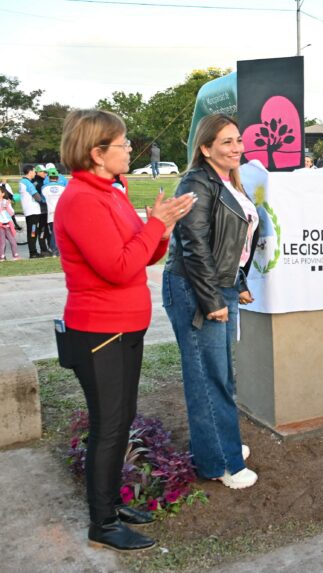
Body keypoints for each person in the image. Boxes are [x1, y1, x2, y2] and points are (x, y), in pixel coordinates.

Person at [54, 109, 193, 551]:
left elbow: (142, 255)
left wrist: (162, 229)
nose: (130, 148)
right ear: (97, 152)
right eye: (123, 143)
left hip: (125, 327)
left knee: (121, 418)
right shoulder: (81, 200)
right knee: (109, 425)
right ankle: (103, 523)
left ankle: (113, 503)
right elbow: (116, 267)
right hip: (99, 331)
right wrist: (154, 225)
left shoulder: (110, 193)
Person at [162, 113, 260, 490]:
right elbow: (194, 245)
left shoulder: (228, 181)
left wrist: (239, 282)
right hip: (195, 290)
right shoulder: (196, 183)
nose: (237, 148)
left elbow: (232, 243)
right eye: (226, 142)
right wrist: (211, 299)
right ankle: (220, 462)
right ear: (205, 148)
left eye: (238, 140)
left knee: (221, 374)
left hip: (220, 286)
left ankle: (220, 444)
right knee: (208, 377)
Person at [19, 164, 48, 258]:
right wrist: (45, 200)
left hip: (30, 211)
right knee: (33, 232)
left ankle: (33, 252)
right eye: (34, 171)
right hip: (32, 211)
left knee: (32, 232)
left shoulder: (23, 181)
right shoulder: (27, 182)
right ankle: (33, 253)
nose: (35, 173)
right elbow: (37, 196)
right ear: (30, 171)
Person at [42, 167, 67, 255]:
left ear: (49, 177)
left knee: (53, 231)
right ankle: (57, 249)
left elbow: (43, 199)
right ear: (57, 177)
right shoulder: (63, 187)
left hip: (51, 213)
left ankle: (54, 249)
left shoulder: (44, 188)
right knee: (61, 232)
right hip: (61, 213)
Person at [0, 187, 21, 261]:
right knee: (2, 242)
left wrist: (7, 207)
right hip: (0, 225)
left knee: (13, 241)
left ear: (3, 194)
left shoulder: (6, 202)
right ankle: (2, 257)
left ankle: (15, 255)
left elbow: (12, 212)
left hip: (8, 224)